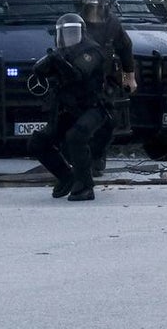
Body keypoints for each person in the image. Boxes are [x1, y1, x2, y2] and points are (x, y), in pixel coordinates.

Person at [27, 13, 109, 202]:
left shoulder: (92, 51)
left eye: (72, 33)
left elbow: (78, 73)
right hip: (69, 109)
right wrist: (48, 62)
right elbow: (39, 70)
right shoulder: (60, 53)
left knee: (76, 136)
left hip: (94, 108)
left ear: (82, 33)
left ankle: (85, 186)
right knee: (38, 142)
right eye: (64, 34)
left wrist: (58, 61)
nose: (68, 38)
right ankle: (66, 177)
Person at [79, 0, 137, 178]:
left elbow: (125, 47)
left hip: (104, 81)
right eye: (91, 9)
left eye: (98, 9)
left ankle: (97, 156)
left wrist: (130, 76)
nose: (94, 13)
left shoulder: (113, 24)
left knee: (108, 121)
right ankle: (81, 160)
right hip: (79, 81)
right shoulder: (76, 23)